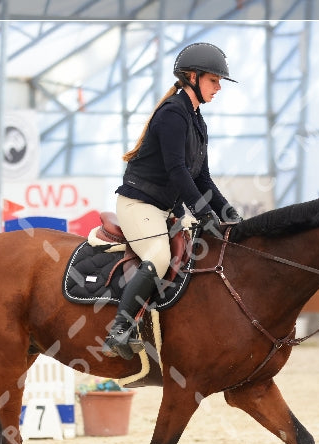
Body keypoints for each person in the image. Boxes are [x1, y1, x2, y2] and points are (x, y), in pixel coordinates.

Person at [101, 42, 243, 360]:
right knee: (159, 256)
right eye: (214, 80)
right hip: (139, 205)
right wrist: (204, 212)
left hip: (165, 210)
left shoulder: (196, 121)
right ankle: (119, 329)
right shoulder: (172, 115)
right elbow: (177, 171)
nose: (219, 87)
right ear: (192, 77)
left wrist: (227, 212)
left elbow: (202, 179)